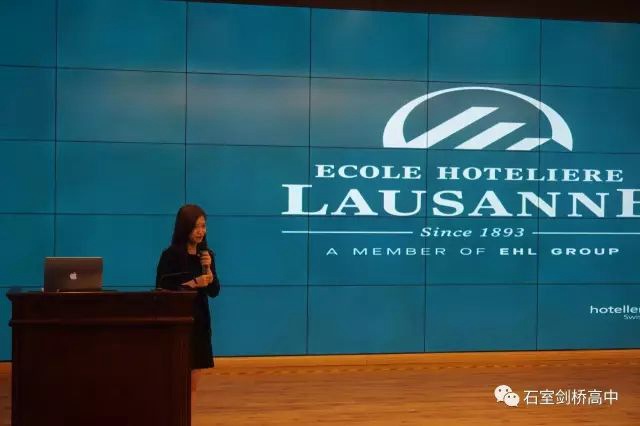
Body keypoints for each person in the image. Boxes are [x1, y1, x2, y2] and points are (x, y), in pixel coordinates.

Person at [155, 204, 221, 398]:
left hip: (200, 323)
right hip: (177, 324)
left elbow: (214, 291)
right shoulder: (170, 256)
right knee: (176, 382)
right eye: (196, 227)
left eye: (203, 226)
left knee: (192, 387)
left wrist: (209, 273)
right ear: (185, 228)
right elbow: (162, 289)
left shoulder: (206, 255)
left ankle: (187, 413)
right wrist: (194, 283)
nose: (201, 231)